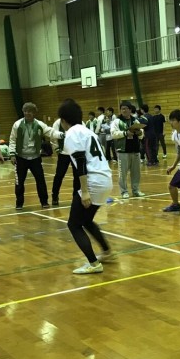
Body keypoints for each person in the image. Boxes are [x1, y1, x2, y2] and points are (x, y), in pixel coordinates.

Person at [55, 98, 114, 274]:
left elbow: (80, 162)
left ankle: (94, 263)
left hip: (93, 182)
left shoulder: (72, 133)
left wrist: (85, 191)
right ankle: (107, 251)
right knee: (86, 220)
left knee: (74, 224)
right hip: (105, 180)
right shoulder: (87, 132)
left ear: (63, 120)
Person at [9, 102, 52, 210]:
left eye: (30, 111)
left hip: (35, 158)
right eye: (25, 111)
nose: (27, 113)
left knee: (40, 180)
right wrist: (12, 154)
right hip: (21, 158)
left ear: (34, 113)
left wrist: (62, 135)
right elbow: (12, 139)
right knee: (19, 182)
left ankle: (44, 201)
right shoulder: (17, 125)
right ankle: (19, 203)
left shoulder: (39, 124)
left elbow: (50, 132)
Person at [110, 100, 145, 198]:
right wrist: (125, 133)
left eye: (126, 109)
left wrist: (140, 133)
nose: (124, 110)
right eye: (122, 109)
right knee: (123, 173)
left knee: (136, 173)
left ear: (130, 110)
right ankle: (124, 191)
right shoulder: (117, 121)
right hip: (123, 151)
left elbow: (141, 135)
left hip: (135, 149)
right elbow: (113, 134)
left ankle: (136, 190)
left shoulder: (135, 121)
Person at [50, 116, 72, 207]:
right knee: (59, 175)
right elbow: (53, 136)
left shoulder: (78, 121)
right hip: (63, 153)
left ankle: (77, 196)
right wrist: (57, 149)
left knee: (78, 176)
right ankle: (55, 196)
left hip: (75, 153)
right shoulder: (58, 123)